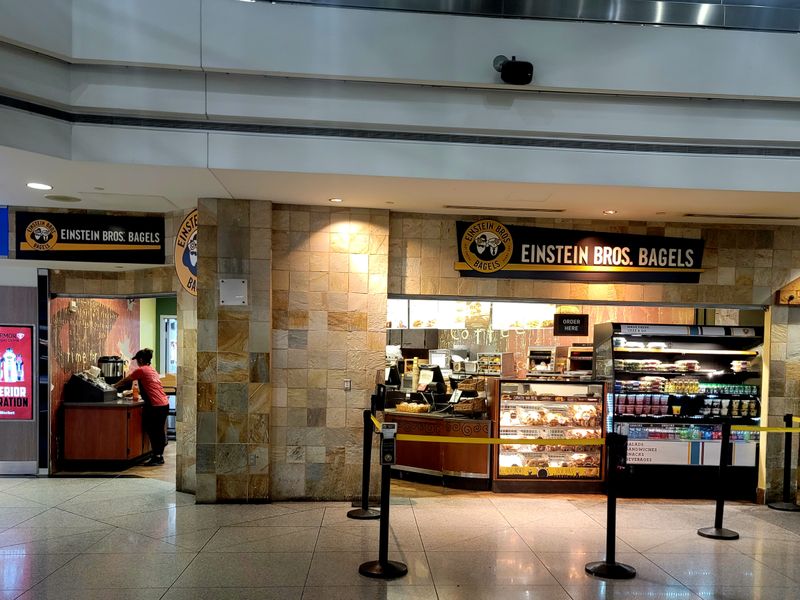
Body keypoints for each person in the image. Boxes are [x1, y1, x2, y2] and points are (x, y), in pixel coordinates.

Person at [113, 348, 169, 466]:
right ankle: (159, 455)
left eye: (137, 360)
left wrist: (113, 386)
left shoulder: (142, 370)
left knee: (153, 431)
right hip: (163, 403)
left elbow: (126, 380)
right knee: (158, 430)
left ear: (141, 360)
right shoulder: (152, 370)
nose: (137, 363)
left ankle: (157, 457)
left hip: (155, 405)